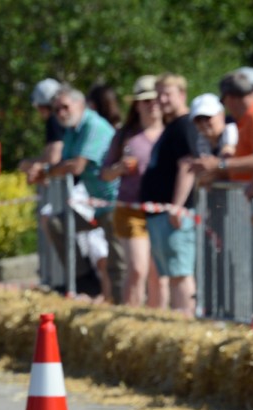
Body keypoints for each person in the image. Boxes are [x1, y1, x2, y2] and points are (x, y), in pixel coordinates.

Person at [46, 84, 122, 302]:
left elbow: (76, 166)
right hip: (92, 204)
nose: (60, 113)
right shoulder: (72, 129)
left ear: (80, 104)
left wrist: (48, 171)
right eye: (56, 109)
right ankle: (86, 281)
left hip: (112, 202)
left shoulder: (94, 125)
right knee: (56, 224)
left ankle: (119, 306)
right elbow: (63, 163)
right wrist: (49, 170)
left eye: (64, 107)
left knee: (116, 262)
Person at [138, 73, 198, 316]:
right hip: (161, 212)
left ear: (182, 95)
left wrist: (177, 205)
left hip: (173, 212)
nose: (161, 99)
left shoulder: (184, 124)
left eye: (167, 94)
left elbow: (187, 165)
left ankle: (185, 319)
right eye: (158, 94)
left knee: (180, 272)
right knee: (171, 272)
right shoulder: (172, 126)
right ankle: (179, 317)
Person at [102, 76, 164, 307]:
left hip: (161, 210)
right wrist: (119, 168)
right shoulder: (125, 135)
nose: (152, 105)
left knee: (159, 273)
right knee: (137, 269)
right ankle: (132, 315)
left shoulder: (170, 132)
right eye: (146, 101)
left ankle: (158, 320)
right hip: (131, 209)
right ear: (137, 105)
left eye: (156, 100)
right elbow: (105, 172)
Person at [189, 94, 238, 159]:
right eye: (198, 119)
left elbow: (228, 157)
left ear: (221, 115)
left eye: (207, 117)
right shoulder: (202, 139)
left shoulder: (231, 131)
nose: (203, 123)